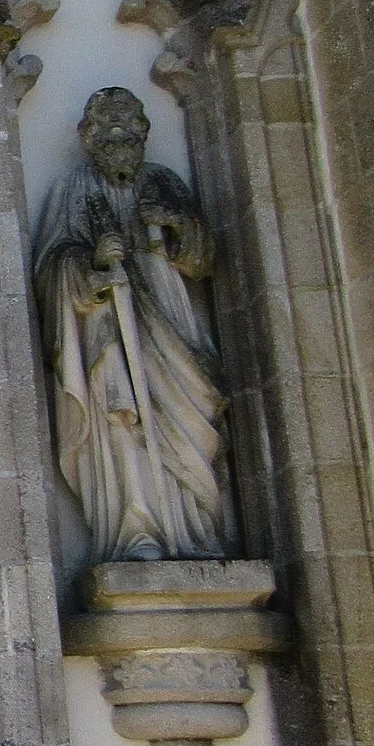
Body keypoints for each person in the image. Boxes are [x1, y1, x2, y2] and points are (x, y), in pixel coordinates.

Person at [33, 87, 234, 564]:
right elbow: (49, 267)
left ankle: (193, 530)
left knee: (189, 416)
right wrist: (92, 267)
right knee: (121, 419)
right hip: (108, 329)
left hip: (169, 323)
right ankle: (136, 528)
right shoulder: (72, 189)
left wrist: (173, 225)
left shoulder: (163, 182)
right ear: (88, 136)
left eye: (130, 122)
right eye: (107, 123)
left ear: (144, 131)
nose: (119, 130)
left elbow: (203, 258)